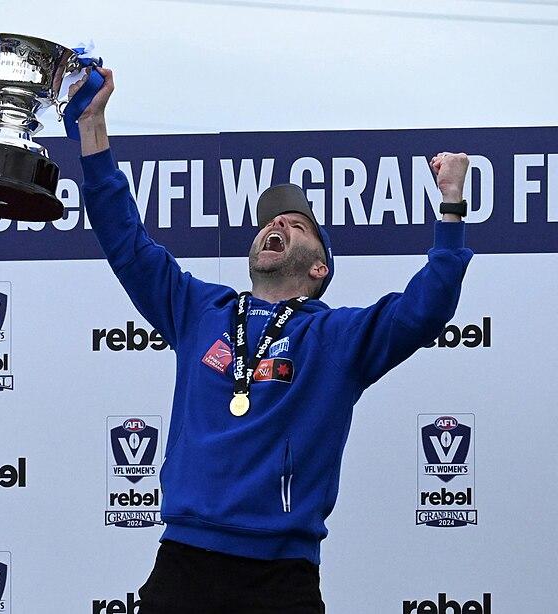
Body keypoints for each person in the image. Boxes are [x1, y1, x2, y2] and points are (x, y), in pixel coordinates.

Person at [71, 68, 473, 613]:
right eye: (269, 222)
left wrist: (450, 206)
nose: (275, 224)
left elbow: (425, 309)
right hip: (183, 565)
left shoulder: (335, 336)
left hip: (280, 580)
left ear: (319, 269)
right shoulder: (199, 309)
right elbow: (124, 239)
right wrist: (92, 128)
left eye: (296, 224)